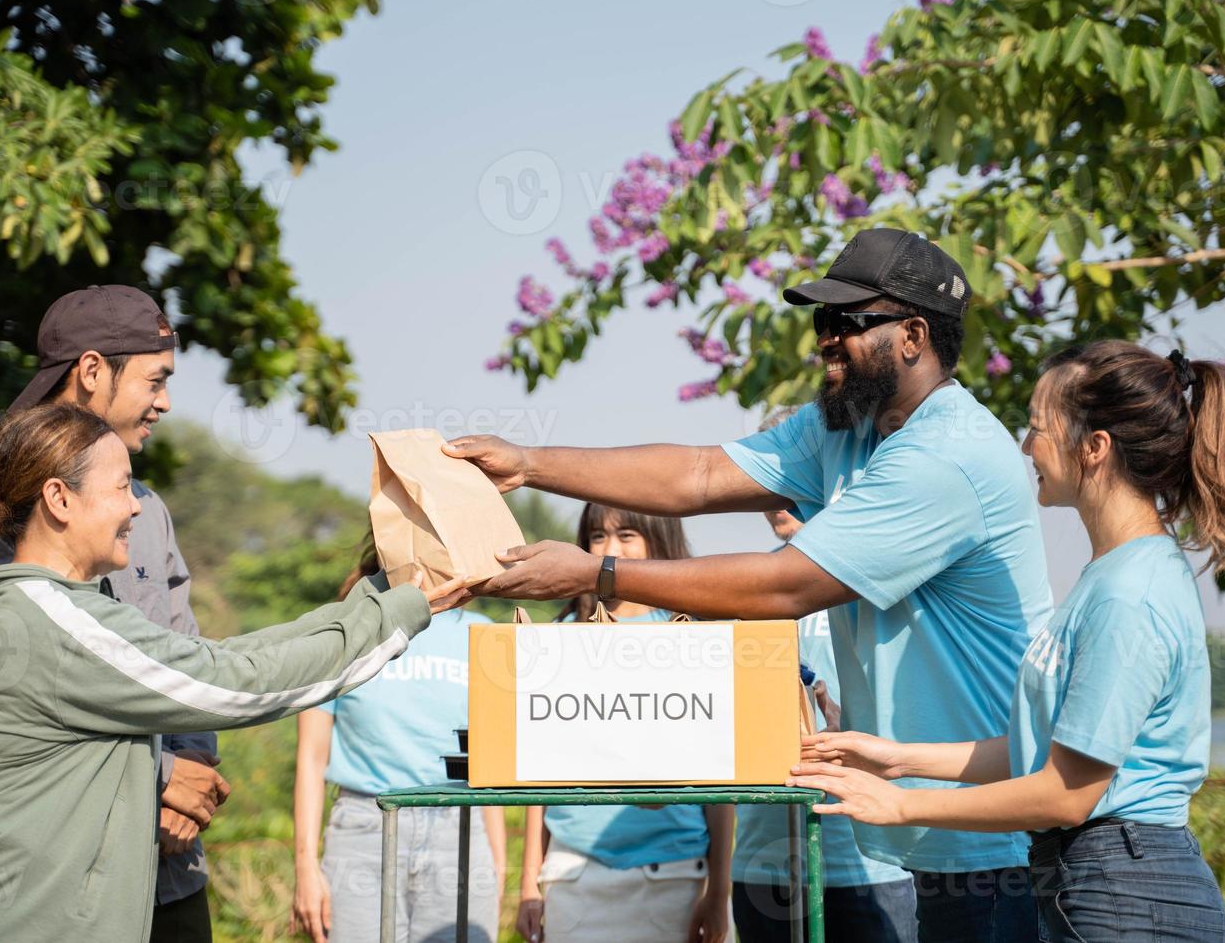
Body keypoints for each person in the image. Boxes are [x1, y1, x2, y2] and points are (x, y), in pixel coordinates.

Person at [448, 228, 1054, 941]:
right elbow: (699, 475)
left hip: (996, 839)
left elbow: (787, 586)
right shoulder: (849, 428)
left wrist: (596, 572)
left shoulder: (944, 455)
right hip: (933, 832)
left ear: (914, 335)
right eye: (820, 321)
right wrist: (528, 463)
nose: (825, 340)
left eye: (846, 323)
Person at [0, 404, 467, 943]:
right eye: (122, 486)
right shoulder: (58, 624)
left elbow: (229, 657)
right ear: (59, 499)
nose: (137, 507)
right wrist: (401, 612)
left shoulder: (65, 612)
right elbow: (239, 684)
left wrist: (386, 595)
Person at [791, 342, 1225, 942]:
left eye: (1036, 430)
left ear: (1095, 448)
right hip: (1096, 883)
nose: (1026, 448)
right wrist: (898, 758)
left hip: (1129, 895)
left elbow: (1067, 793)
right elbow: (1051, 752)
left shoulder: (1130, 593)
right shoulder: (1110, 575)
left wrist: (900, 804)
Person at [0, 284, 227, 939]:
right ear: (90, 372)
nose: (165, 402)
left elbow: (186, 656)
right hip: (45, 878)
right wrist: (168, 777)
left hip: (166, 867)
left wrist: (195, 772)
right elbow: (7, 692)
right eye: (155, 380)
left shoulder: (147, 507)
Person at [515, 504, 733, 943]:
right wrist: (528, 887)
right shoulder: (560, 641)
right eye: (597, 537)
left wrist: (718, 893)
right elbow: (538, 772)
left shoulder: (692, 635)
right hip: (573, 873)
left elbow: (721, 784)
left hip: (675, 876)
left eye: (627, 535)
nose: (608, 549)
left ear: (660, 542)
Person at [292, 540, 506, 943]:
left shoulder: (485, 636)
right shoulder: (343, 630)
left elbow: (489, 766)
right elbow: (311, 758)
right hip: (363, 831)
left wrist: (497, 863)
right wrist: (306, 865)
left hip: (459, 828)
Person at [732, 482, 916, 943]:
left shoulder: (884, 575)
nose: (777, 502)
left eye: (792, 483)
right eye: (764, 488)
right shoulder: (744, 588)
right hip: (767, 861)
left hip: (871, 863)